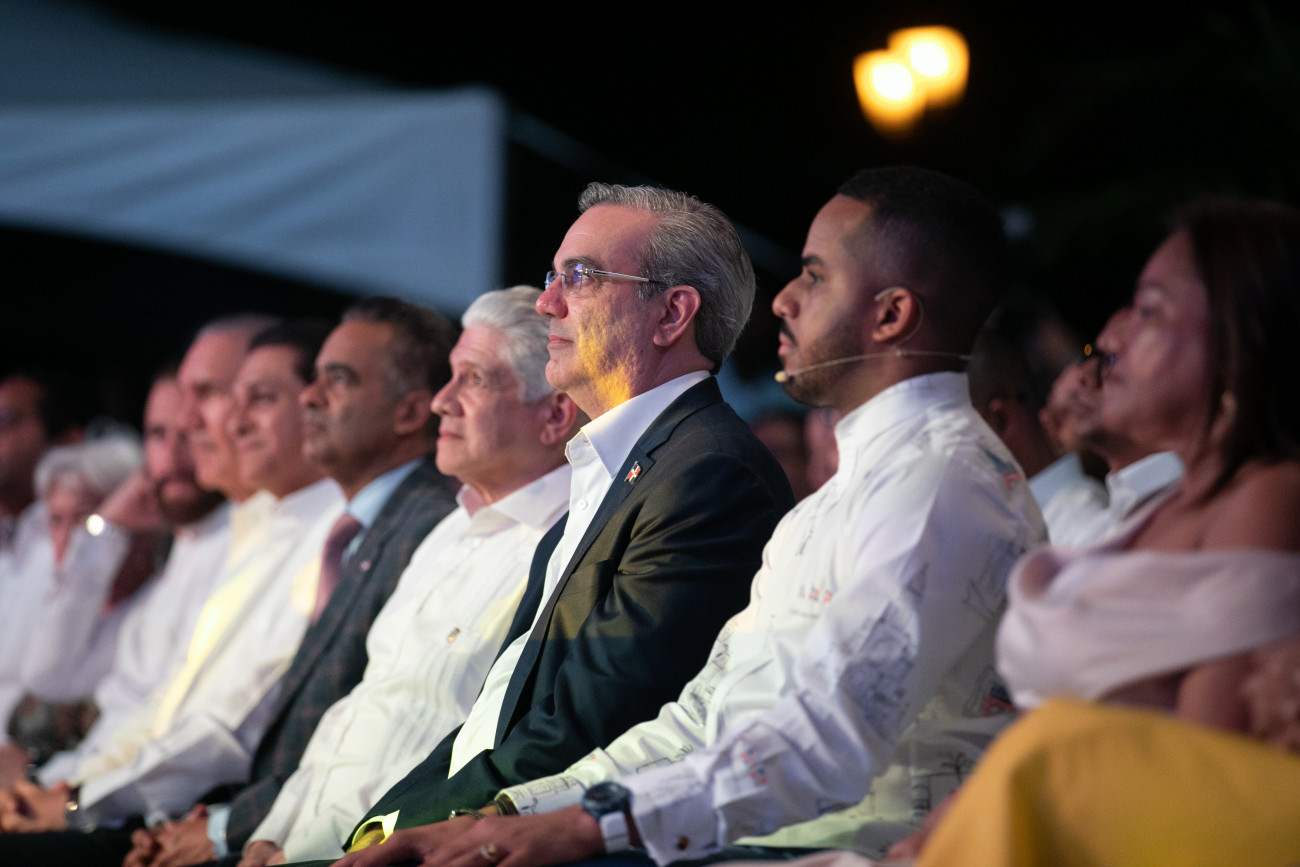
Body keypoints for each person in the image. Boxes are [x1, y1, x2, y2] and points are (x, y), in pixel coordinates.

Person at [333, 166, 1045, 867]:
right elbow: (702, 717)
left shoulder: (935, 480)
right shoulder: (840, 497)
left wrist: (585, 824)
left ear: (891, 315)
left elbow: (822, 740)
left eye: (814, 275)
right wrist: (515, 813)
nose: (783, 300)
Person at [332, 182, 795, 860]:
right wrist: (384, 822)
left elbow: (595, 716)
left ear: (671, 314)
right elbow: (494, 716)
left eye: (579, 277)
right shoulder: (615, 473)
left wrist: (406, 833)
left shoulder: (710, 474)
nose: (546, 302)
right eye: (553, 277)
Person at [889, 197, 1300, 863]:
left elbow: (1206, 770)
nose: (1113, 337)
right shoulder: (1163, 507)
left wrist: (1029, 773)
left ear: (1239, 342)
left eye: (1150, 311)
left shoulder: (1268, 497)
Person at [226, 286, 578, 866]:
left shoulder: (566, 547)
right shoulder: (448, 531)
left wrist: (306, 850)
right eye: (450, 377)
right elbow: (359, 707)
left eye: (474, 380)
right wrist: (271, 835)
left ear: (554, 415)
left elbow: (460, 747)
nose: (442, 401)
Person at [121, 298, 461, 867]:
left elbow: (381, 727)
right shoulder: (355, 526)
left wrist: (239, 831)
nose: (310, 397)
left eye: (338, 379)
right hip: (263, 819)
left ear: (409, 412)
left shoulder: (429, 520)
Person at [0, 322, 346, 863]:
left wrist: (73, 799)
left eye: (211, 395)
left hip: (180, 815)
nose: (194, 423)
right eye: (157, 432)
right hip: (122, 798)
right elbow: (158, 708)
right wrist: (63, 789)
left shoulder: (320, 535)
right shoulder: (248, 533)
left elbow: (228, 729)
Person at [1045, 309, 1182, 547]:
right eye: (1090, 355)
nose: (1086, 374)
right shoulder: (1102, 528)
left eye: (1110, 359)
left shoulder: (1199, 505)